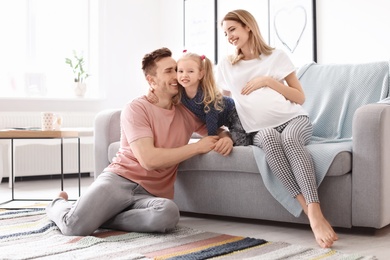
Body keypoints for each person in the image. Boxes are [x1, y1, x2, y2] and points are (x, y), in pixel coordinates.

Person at [46, 47, 233, 236]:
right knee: (73, 227)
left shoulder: (187, 112)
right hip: (119, 181)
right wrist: (197, 148)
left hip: (151, 196)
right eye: (169, 71)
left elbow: (215, 130)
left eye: (176, 69)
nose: (177, 76)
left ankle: (103, 217)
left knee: (168, 214)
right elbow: (149, 160)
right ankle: (57, 203)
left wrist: (226, 138)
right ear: (151, 80)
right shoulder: (136, 108)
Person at [216, 9, 338, 248]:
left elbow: (299, 97)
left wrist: (268, 81)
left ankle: (315, 209)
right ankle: (312, 216)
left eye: (232, 29)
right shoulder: (226, 65)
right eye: (225, 33)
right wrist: (224, 132)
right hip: (258, 129)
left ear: (248, 26)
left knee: (291, 140)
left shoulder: (276, 56)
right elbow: (224, 104)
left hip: (293, 119)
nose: (229, 36)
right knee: (271, 140)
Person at [148, 50, 252, 146]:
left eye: (190, 71)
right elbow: (165, 93)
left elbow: (211, 121)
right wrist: (151, 91)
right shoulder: (180, 91)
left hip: (233, 112)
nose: (184, 75)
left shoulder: (206, 96)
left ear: (200, 74)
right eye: (180, 71)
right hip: (222, 120)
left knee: (240, 141)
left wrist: (211, 138)